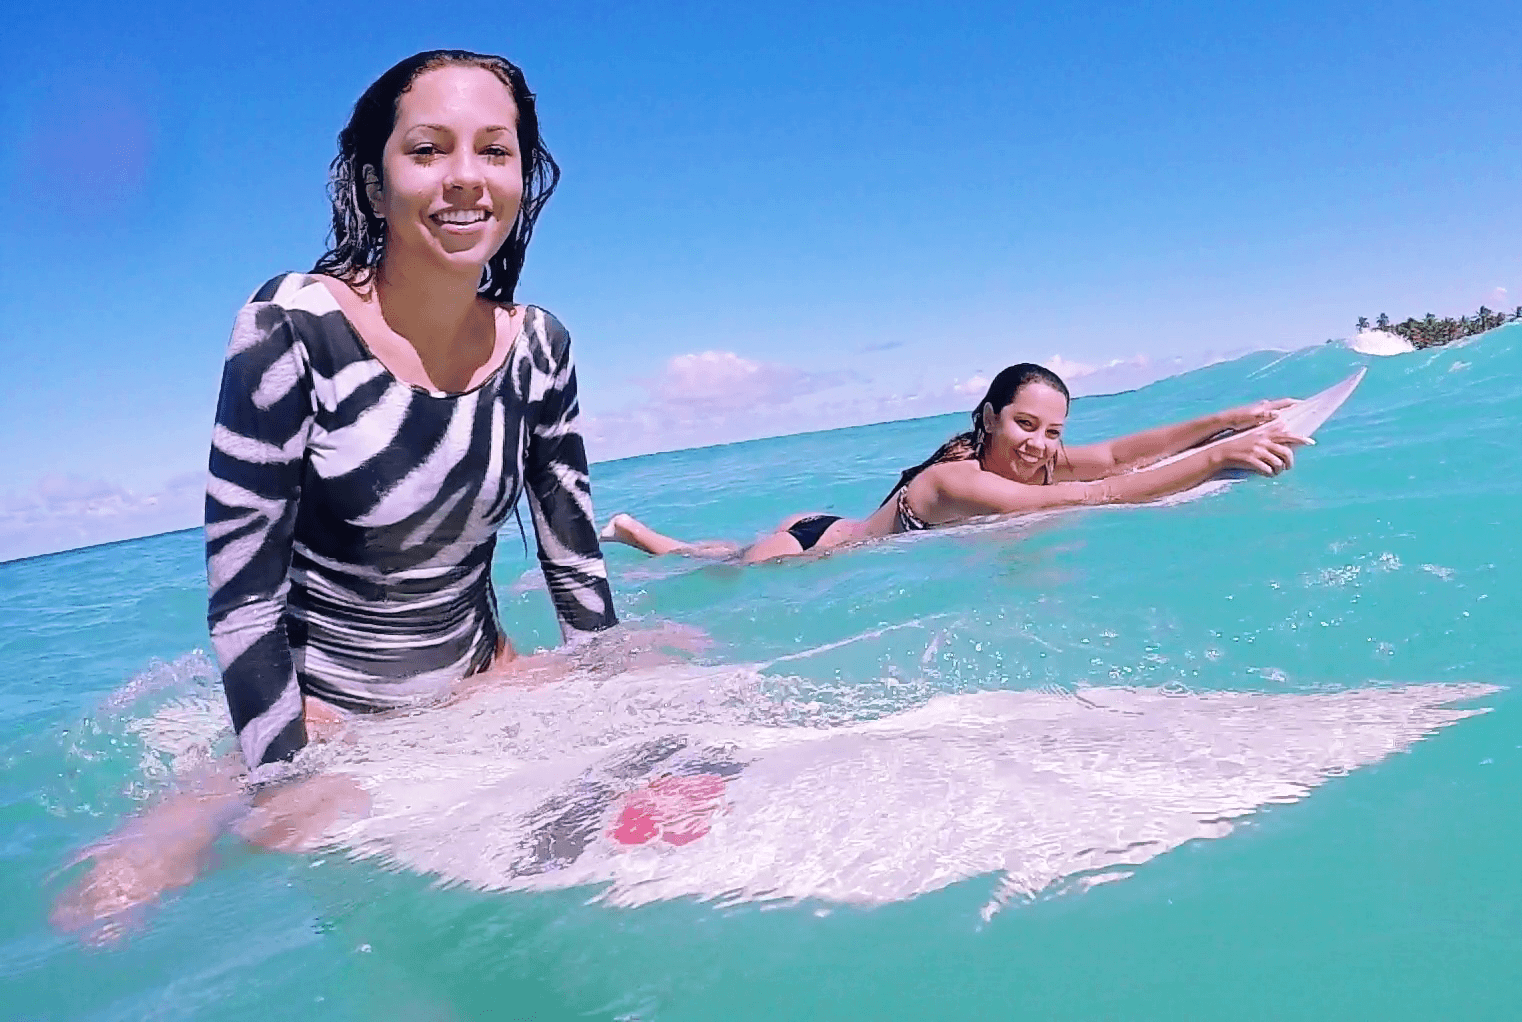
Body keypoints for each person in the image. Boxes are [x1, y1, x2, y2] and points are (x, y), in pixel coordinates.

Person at [53, 49, 617, 938]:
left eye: (495, 151)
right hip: (327, 721)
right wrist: (283, 776)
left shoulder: (541, 345)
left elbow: (575, 565)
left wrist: (616, 687)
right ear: (374, 175)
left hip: (482, 690)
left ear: (523, 175)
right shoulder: (293, 324)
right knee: (101, 910)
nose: (466, 180)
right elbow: (244, 597)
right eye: (428, 150)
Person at [603, 362, 1310, 564]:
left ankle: (644, 533)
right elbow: (1090, 497)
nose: (1038, 443)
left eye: (1052, 430)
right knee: (712, 563)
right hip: (813, 547)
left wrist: (1229, 419)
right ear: (992, 417)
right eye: (1024, 424)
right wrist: (1218, 458)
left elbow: (1119, 456)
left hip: (833, 523)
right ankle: (645, 538)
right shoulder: (957, 479)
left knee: (716, 550)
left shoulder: (1031, 457)